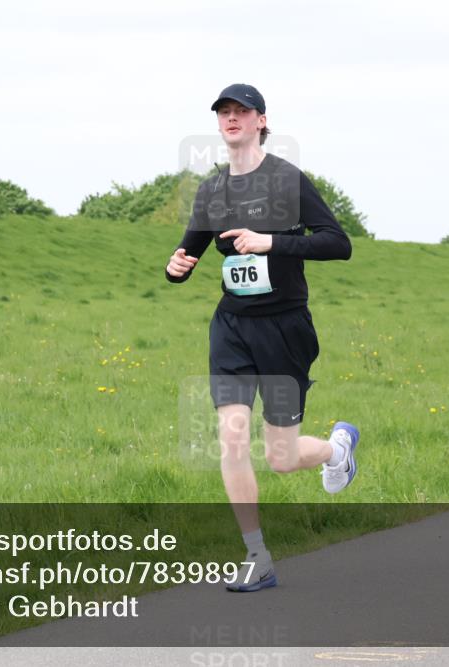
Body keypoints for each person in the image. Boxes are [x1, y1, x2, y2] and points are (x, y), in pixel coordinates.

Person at [164, 83, 360, 592]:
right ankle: (257, 556)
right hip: (232, 326)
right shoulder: (211, 191)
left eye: (241, 112)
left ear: (260, 121)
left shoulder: (288, 180)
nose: (231, 119)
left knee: (281, 457)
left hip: (284, 328)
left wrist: (271, 242)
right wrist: (176, 267)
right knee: (230, 436)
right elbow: (189, 252)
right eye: (224, 113)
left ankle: (338, 450)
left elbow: (338, 245)